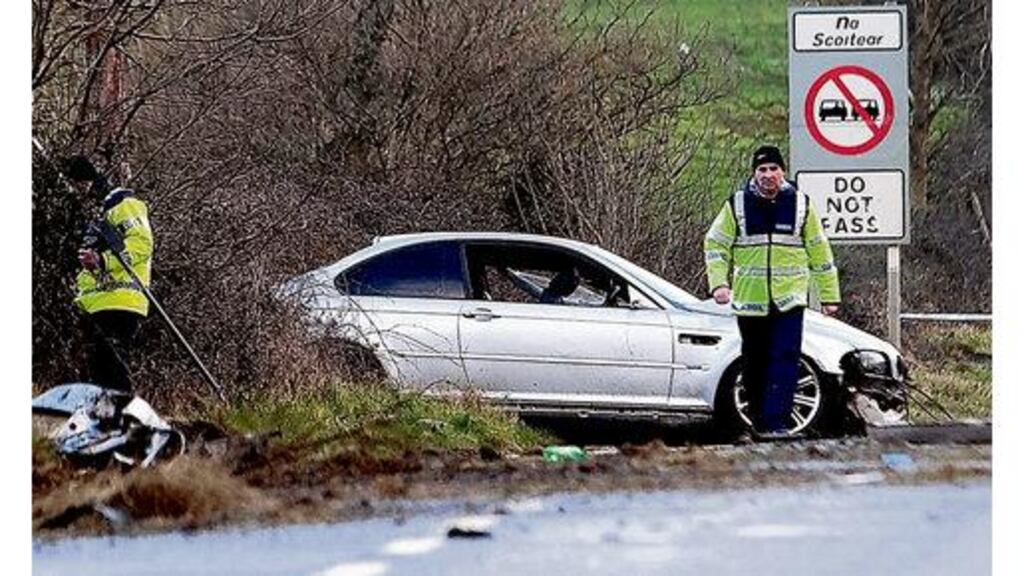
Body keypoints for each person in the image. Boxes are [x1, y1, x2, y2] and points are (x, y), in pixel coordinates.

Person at [703, 145, 840, 438]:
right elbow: (715, 245)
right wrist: (719, 283)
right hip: (750, 301)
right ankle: (758, 421)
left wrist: (830, 295)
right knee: (754, 362)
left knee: (785, 358)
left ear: (783, 172)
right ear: (754, 173)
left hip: (789, 300)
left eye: (773, 169)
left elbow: (819, 250)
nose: (768, 175)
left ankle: (777, 423)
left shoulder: (801, 205)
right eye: (762, 170)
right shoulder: (737, 204)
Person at [66, 155, 153, 393]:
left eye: (79, 184)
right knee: (95, 372)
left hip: (121, 299)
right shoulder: (91, 214)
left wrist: (103, 261)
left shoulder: (123, 203)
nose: (77, 191)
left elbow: (141, 245)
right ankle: (103, 423)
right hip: (95, 302)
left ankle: (123, 419)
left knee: (113, 370)